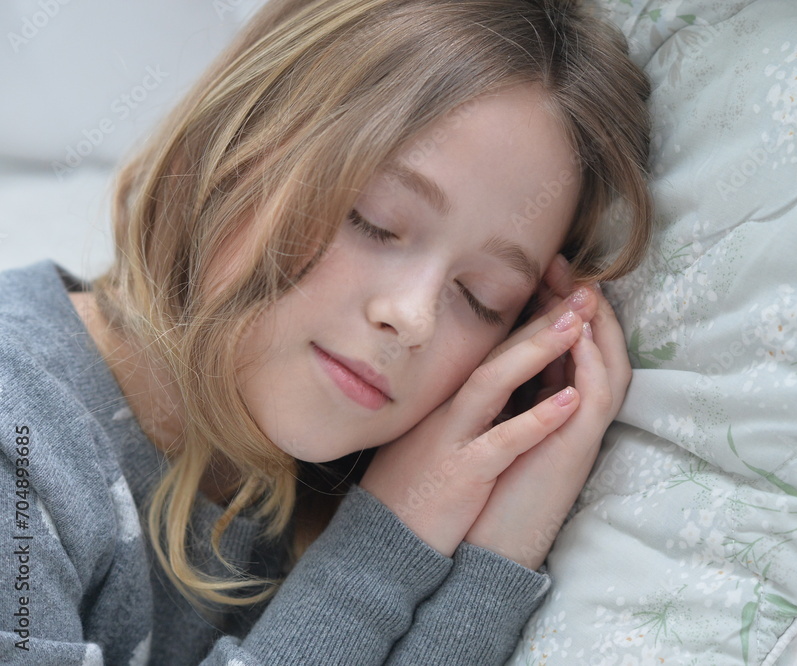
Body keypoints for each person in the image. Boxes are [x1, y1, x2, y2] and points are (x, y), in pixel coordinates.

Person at [0, 0, 652, 662]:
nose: (414, 316)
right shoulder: (17, 437)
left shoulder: (350, 481)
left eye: (482, 298)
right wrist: (381, 553)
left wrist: (499, 550)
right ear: (234, 142)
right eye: (373, 220)